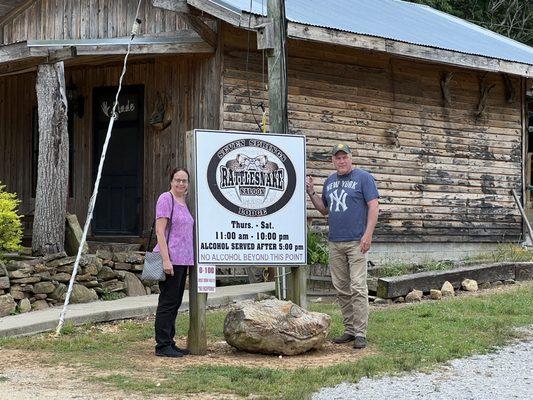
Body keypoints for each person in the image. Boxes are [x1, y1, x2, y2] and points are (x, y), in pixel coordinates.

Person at [306, 143, 379, 349]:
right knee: (342, 289)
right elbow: (324, 210)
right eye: (337, 158)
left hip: (357, 241)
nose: (341, 161)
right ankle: (349, 329)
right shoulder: (329, 181)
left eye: (344, 157)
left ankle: (360, 333)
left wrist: (368, 234)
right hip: (335, 242)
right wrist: (311, 193)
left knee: (358, 287)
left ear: (351, 158)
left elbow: (374, 206)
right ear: (333, 161)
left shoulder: (363, 178)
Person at [153, 168, 194, 357]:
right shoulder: (165, 199)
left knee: (175, 302)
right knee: (167, 302)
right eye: (177, 180)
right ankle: (162, 346)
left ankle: (170, 341)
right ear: (171, 181)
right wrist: (166, 260)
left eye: (184, 181)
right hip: (170, 259)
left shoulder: (185, 202)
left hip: (183, 259)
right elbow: (160, 231)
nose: (181, 184)